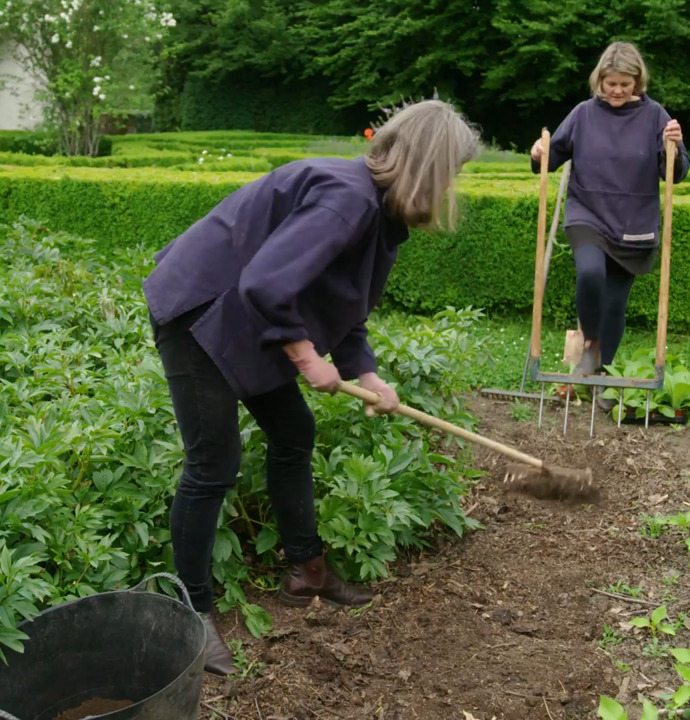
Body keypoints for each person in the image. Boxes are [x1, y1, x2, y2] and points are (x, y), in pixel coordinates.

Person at [143, 99, 481, 676]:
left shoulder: (376, 211)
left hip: (242, 315)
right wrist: (304, 356)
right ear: (431, 165)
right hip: (202, 312)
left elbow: (346, 302)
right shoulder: (346, 198)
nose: (452, 186)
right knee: (213, 463)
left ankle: (308, 572)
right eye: (452, 172)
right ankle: (191, 614)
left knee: (293, 431)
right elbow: (266, 282)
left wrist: (365, 372)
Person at [531, 41, 690, 410]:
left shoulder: (655, 116)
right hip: (587, 211)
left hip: (634, 221)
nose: (617, 91)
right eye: (610, 83)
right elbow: (551, 156)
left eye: (624, 83)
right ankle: (590, 346)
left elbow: (676, 173)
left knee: (616, 303)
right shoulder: (584, 113)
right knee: (589, 273)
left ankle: (602, 376)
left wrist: (675, 147)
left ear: (638, 82)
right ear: (599, 80)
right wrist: (540, 151)